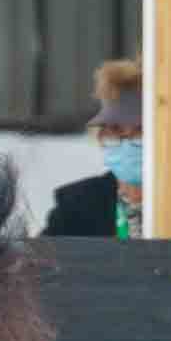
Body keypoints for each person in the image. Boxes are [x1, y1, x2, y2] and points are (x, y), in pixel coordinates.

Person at [43, 59, 143, 238]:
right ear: (101, 137)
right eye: (116, 130)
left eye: (140, 131)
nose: (127, 142)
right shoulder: (76, 209)